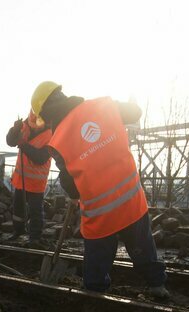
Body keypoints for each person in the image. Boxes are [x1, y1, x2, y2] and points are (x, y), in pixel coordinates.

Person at [31, 81, 169, 298]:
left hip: (99, 210)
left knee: (97, 259)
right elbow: (135, 112)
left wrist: (75, 195)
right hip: (130, 198)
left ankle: (95, 297)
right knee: (141, 244)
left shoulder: (57, 140)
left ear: (46, 112)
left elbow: (68, 182)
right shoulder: (102, 106)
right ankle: (157, 286)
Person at [5, 110, 52, 246]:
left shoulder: (50, 135)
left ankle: (35, 237)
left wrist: (23, 145)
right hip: (21, 178)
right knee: (18, 208)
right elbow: (10, 142)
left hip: (37, 181)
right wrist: (14, 130)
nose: (32, 126)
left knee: (35, 211)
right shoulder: (24, 125)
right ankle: (18, 231)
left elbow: (41, 158)